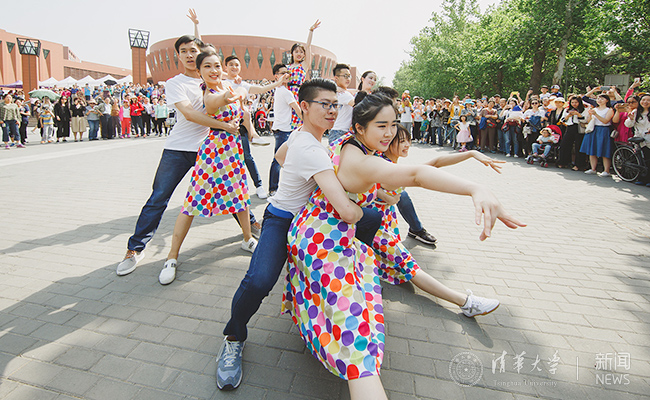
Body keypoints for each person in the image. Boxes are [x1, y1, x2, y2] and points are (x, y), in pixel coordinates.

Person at [282, 93, 524, 399]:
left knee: (346, 312)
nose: (390, 133)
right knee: (356, 338)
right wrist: (475, 188)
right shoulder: (364, 161)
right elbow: (417, 175)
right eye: (381, 126)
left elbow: (424, 167)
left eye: (394, 124)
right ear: (359, 127)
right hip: (324, 244)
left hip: (320, 233)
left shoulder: (346, 144)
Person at [215, 78, 382, 391]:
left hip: (310, 221)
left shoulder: (304, 135)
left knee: (372, 219)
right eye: (324, 104)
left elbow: (280, 157)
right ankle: (234, 336)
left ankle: (352, 279)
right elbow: (347, 213)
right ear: (304, 106)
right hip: (281, 220)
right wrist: (357, 209)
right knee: (259, 281)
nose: (332, 111)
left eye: (335, 105)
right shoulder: (311, 149)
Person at [116, 34, 248, 277]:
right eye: (184, 51)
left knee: (230, 190)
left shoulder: (215, 79)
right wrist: (225, 126)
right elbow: (189, 114)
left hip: (210, 149)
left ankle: (250, 231)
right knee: (159, 197)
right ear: (178, 55)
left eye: (193, 50)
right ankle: (135, 248)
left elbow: (235, 94)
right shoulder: (175, 83)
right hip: (178, 149)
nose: (189, 55)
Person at [372, 124, 501, 318]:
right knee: (409, 267)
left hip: (387, 223)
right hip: (377, 228)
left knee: (397, 265)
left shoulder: (391, 165)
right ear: (388, 142)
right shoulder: (381, 166)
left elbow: (437, 162)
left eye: (408, 140)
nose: (407, 145)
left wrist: (471, 153)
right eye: (401, 141)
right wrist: (382, 194)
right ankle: (466, 303)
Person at [158, 48, 258, 286]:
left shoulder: (228, 86)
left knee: (240, 196)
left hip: (233, 150)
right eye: (207, 67)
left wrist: (240, 95)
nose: (213, 70)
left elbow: (244, 95)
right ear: (199, 72)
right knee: (192, 203)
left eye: (216, 66)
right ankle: (171, 257)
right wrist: (228, 97)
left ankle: (247, 239)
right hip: (213, 153)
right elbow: (213, 104)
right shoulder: (209, 93)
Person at [268, 64, 302, 195]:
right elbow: (298, 110)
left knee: (283, 160)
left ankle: (276, 188)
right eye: (283, 73)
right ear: (276, 76)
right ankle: (273, 189)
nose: (286, 75)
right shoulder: (285, 92)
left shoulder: (279, 90)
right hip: (283, 130)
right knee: (279, 160)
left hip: (281, 129)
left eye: (287, 72)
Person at [581, 94, 614, 176]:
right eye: (598, 98)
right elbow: (589, 120)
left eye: (602, 99)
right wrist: (590, 114)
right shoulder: (594, 109)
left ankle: (606, 170)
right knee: (592, 150)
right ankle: (593, 168)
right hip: (594, 129)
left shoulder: (609, 110)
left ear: (607, 100)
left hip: (603, 129)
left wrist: (595, 114)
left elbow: (606, 121)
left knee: (604, 150)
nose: (599, 100)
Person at [624, 94, 650, 186]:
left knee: (648, 158)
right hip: (639, 138)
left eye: (648, 100)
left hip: (649, 138)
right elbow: (628, 124)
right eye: (643, 100)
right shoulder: (636, 112)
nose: (645, 102)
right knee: (641, 159)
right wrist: (630, 119)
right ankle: (642, 178)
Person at [557, 96, 588, 170]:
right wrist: (568, 115)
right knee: (564, 145)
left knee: (578, 146)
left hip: (579, 127)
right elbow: (562, 120)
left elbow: (585, 120)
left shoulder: (584, 110)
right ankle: (563, 162)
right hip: (570, 127)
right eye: (572, 102)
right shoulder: (567, 110)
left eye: (576, 102)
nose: (574, 104)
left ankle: (579, 165)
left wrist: (578, 114)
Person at [328, 63, 356, 144]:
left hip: (337, 131)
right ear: (336, 78)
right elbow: (358, 105)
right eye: (345, 76)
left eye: (349, 76)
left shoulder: (338, 92)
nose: (348, 79)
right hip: (340, 133)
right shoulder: (343, 94)